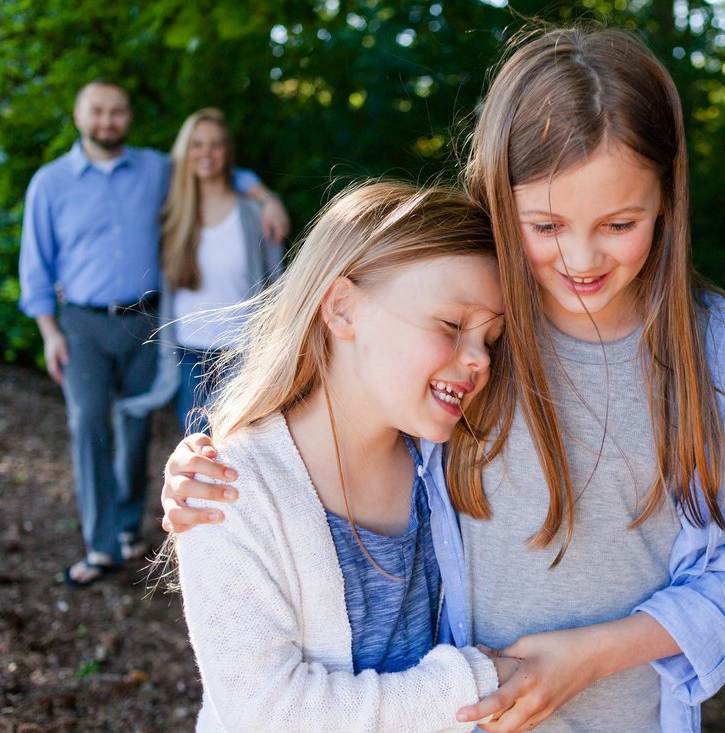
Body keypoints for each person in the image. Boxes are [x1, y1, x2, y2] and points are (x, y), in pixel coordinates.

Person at [161, 25, 725, 732]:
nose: (581, 256)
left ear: (666, 202)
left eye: (620, 222)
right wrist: (214, 464)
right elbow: (352, 403)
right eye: (546, 223)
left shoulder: (717, 355)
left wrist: (591, 656)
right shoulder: (484, 321)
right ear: (504, 204)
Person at [172, 180, 512, 731]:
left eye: (490, 339)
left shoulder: (454, 464)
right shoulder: (228, 490)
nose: (478, 359)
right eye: (452, 325)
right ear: (343, 309)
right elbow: (264, 712)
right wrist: (473, 684)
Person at [18, 80, 289, 588]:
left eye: (117, 112)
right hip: (81, 324)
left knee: (137, 426)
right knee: (89, 423)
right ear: (79, 116)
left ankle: (127, 528)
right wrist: (49, 332)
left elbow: (212, 168)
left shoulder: (153, 169)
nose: (107, 121)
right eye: (97, 111)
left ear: (128, 117)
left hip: (146, 319)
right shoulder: (50, 183)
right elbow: (35, 264)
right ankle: (100, 547)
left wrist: (264, 193)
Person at [115, 108, 285, 434]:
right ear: (184, 151)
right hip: (189, 352)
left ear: (228, 152)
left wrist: (269, 198)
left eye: (216, 145)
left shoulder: (253, 214)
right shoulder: (172, 212)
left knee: (241, 446)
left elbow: (276, 284)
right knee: (198, 446)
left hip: (242, 353)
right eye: (197, 144)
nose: (206, 154)